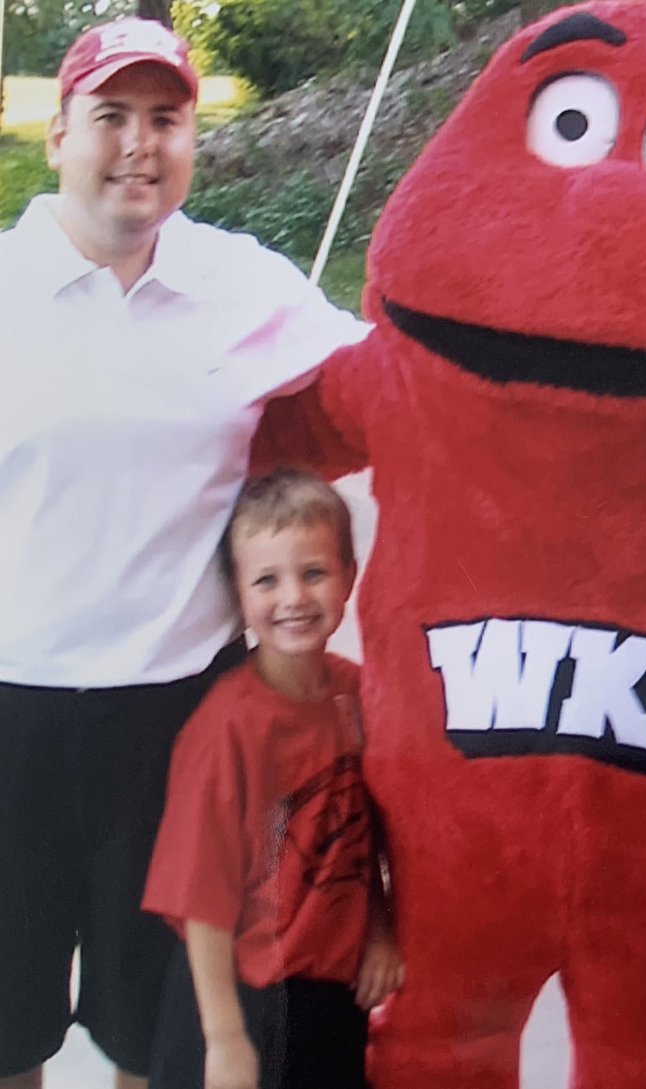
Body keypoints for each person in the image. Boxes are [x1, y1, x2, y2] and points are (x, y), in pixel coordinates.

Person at [0, 18, 364, 1089]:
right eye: (111, 117)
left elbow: (384, 391)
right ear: (58, 130)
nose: (139, 146)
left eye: (167, 120)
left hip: (178, 722)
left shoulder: (241, 283)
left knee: (153, 1030)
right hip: (10, 711)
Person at [141, 469, 403, 1089]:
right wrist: (224, 1038)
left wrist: (381, 929)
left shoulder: (358, 696)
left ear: (349, 576)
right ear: (238, 594)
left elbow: (366, 837)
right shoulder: (225, 728)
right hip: (240, 996)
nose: (293, 598)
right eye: (267, 580)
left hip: (331, 990)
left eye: (313, 572)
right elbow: (200, 899)